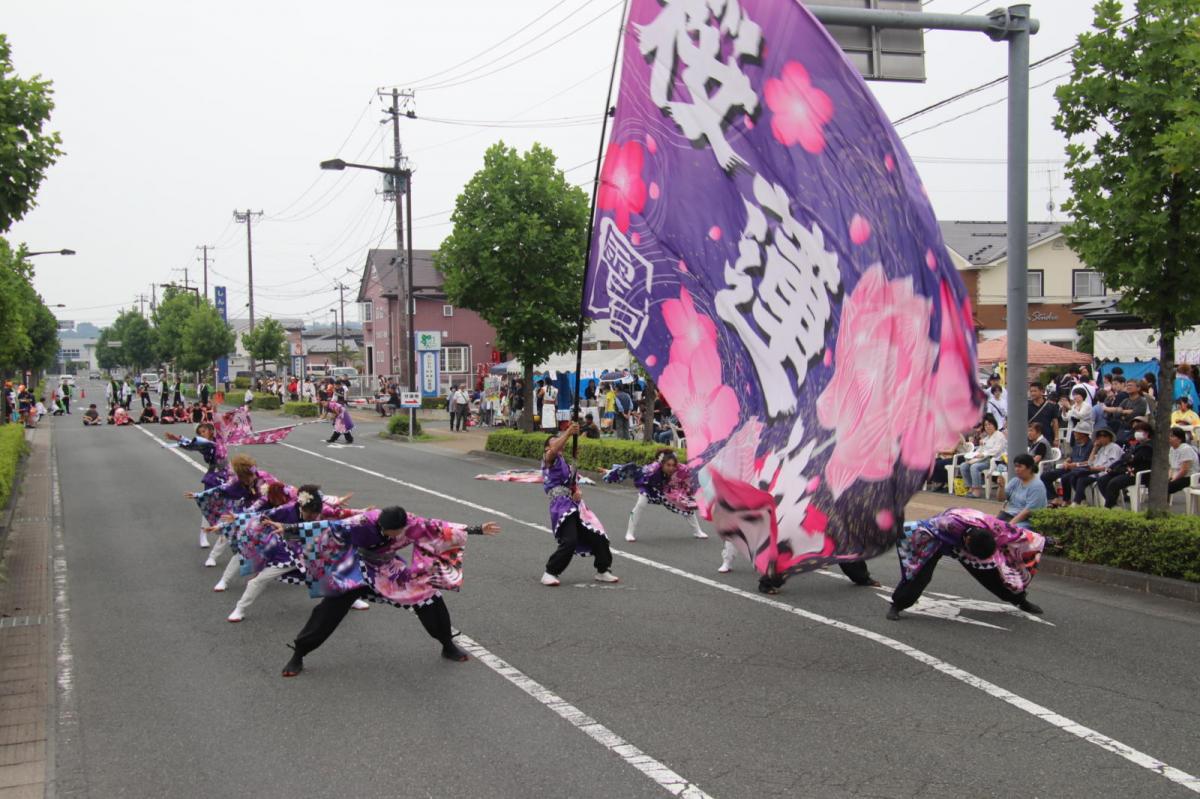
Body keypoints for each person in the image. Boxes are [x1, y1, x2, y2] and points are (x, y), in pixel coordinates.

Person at [269, 505, 501, 676]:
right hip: (356, 567)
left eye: (397, 531)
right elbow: (329, 527)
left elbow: (439, 527)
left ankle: (447, 645)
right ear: (380, 524)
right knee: (330, 609)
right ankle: (299, 653)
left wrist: (477, 529)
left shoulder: (412, 523)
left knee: (428, 597)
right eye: (390, 531)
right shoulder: (363, 522)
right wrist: (289, 528)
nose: (395, 535)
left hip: (387, 569)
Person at [886, 508, 1045, 620]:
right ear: (967, 542)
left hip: (972, 542)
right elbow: (919, 529)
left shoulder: (994, 526)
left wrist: (1044, 540)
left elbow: (1019, 534)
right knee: (920, 574)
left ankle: (1020, 600)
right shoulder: (946, 523)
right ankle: (897, 604)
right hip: (936, 540)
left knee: (994, 574)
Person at [540, 423, 618, 586]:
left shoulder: (566, 464)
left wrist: (577, 492)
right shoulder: (549, 459)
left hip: (576, 505)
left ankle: (603, 570)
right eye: (554, 442)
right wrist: (568, 433)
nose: (558, 444)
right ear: (547, 448)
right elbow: (553, 450)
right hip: (561, 506)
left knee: (598, 535)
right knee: (570, 540)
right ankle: (550, 572)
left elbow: (573, 485)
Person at [604, 449, 709, 543]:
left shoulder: (682, 469)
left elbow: (694, 477)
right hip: (650, 488)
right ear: (662, 464)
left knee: (686, 505)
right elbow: (634, 471)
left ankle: (697, 531)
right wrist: (612, 472)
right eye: (668, 465)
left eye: (673, 465)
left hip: (669, 491)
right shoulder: (652, 469)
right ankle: (629, 533)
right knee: (641, 503)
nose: (671, 468)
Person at [1063, 427, 1124, 506]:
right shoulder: (1101, 449)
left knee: (1081, 479)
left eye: (1104, 435)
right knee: (1074, 476)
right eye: (1099, 436)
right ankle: (1081, 501)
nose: (1101, 438)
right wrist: (1095, 448)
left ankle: (1077, 502)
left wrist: (1093, 468)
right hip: (1094, 470)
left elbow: (1111, 465)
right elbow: (1090, 462)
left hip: (1105, 472)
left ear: (1109, 437)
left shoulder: (1114, 447)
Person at [1099, 422, 1154, 508]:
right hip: (1126, 470)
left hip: (1138, 473)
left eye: (1140, 431)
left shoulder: (1149, 446)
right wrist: (1112, 467)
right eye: (1136, 431)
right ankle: (1113, 503)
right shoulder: (1136, 445)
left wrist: (1130, 458)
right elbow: (1125, 457)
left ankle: (1109, 507)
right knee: (1102, 480)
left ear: (1147, 433)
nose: (1137, 433)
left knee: (1114, 483)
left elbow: (1135, 459)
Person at [1041, 422, 1093, 504]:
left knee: (1065, 477)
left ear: (1083, 434)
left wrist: (1073, 465)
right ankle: (1054, 498)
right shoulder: (1076, 443)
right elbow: (1072, 457)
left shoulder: (1091, 445)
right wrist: (1066, 461)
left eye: (1076, 432)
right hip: (1070, 468)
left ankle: (1066, 500)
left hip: (1081, 469)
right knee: (1045, 476)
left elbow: (1090, 462)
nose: (1074, 433)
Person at [997, 454, 1047, 528]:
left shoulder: (1037, 486)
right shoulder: (1015, 481)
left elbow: (1028, 511)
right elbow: (1000, 499)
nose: (1016, 469)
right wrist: (1001, 487)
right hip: (1010, 516)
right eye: (1015, 466)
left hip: (1027, 521)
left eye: (1020, 466)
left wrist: (1009, 525)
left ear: (1029, 468)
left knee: (1004, 530)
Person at [960, 415, 1005, 498]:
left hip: (993, 460)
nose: (988, 427)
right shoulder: (986, 438)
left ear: (994, 424)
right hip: (982, 459)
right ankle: (971, 487)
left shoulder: (999, 435)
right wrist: (973, 455)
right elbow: (979, 450)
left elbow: (996, 450)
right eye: (986, 425)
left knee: (974, 467)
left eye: (989, 424)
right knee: (964, 465)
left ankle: (977, 490)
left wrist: (983, 454)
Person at [1167, 427, 1198, 496]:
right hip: (1177, 475)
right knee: (1161, 484)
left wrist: (1173, 479)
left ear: (1180, 439)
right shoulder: (1172, 449)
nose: (1169, 438)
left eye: (1172, 436)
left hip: (1189, 477)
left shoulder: (1185, 449)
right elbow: (1171, 467)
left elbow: (1184, 470)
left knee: (1167, 487)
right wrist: (1169, 478)